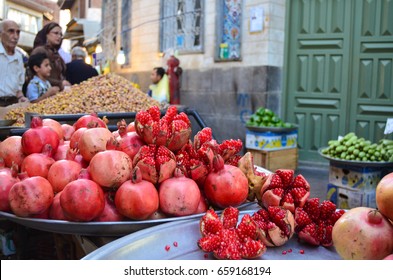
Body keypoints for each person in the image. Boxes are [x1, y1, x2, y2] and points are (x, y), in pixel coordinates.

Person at [29, 22, 70, 91]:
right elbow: (34, 74)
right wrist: (60, 83)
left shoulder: (56, 53)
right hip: (43, 93)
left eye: (60, 34)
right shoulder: (39, 51)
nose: (59, 36)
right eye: (56, 33)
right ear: (46, 34)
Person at [0, 19, 28, 106]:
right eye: (11, 31)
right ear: (1, 33)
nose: (15, 36)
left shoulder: (19, 57)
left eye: (18, 32)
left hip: (13, 103)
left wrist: (21, 98)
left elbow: (19, 86)